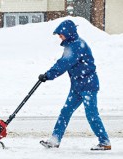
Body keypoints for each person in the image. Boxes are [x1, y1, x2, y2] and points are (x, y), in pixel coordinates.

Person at [38, 19, 111, 151]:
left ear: (68, 32)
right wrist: (48, 74)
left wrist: (48, 75)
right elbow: (63, 62)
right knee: (65, 112)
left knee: (91, 114)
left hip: (88, 86)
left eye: (61, 34)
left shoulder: (77, 45)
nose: (60, 37)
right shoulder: (71, 45)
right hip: (77, 86)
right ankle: (55, 140)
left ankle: (104, 141)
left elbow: (63, 64)